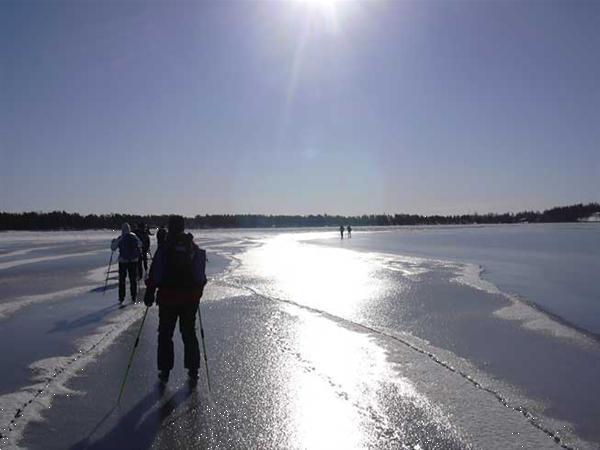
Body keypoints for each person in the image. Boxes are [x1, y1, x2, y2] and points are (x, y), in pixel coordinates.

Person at [144, 215, 207, 386]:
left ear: (170, 227)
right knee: (188, 333)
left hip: (168, 299)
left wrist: (150, 292)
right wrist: (198, 290)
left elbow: (155, 272)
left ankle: (164, 371)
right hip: (189, 300)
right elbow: (200, 275)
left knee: (165, 335)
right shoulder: (191, 246)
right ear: (182, 227)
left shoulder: (165, 247)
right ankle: (193, 370)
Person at [111, 223, 142, 304]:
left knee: (122, 280)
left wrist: (113, 242)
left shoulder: (121, 238)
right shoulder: (133, 236)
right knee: (133, 279)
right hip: (133, 261)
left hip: (123, 261)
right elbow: (140, 244)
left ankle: (121, 297)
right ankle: (133, 296)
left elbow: (113, 248)